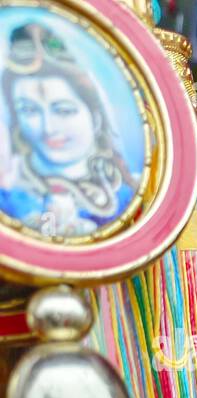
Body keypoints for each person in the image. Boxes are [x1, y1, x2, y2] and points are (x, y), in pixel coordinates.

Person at [0, 21, 138, 237]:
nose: (48, 128)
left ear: (95, 115)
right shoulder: (10, 190)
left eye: (63, 110)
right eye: (29, 110)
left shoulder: (129, 193)